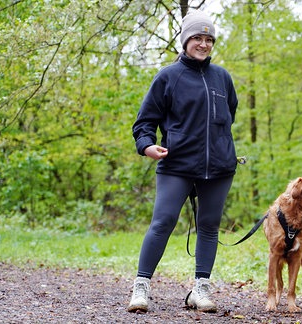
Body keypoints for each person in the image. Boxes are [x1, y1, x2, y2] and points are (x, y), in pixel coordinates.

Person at [127, 10, 238, 314]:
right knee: (162, 222)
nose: (203, 44)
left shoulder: (222, 78)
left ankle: (200, 290)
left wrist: (218, 146)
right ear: (186, 40)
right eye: (197, 38)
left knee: (209, 226)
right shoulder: (168, 76)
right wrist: (147, 146)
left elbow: (228, 116)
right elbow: (144, 122)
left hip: (218, 168)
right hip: (176, 164)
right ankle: (141, 287)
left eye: (209, 39)